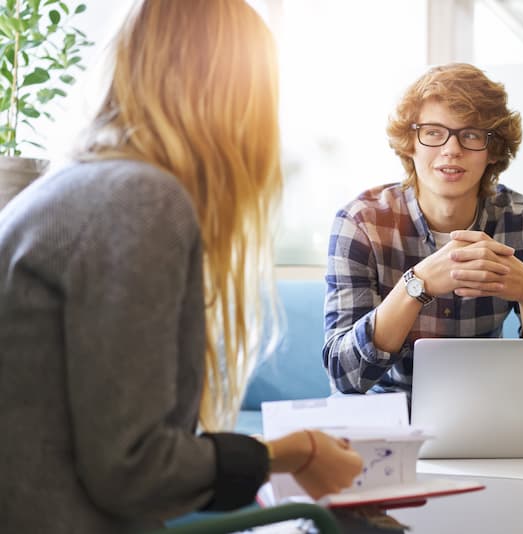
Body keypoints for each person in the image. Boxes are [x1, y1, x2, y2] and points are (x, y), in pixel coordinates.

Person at [0, 1, 362, 532]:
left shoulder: (70, 188)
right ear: (234, 96)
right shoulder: (138, 201)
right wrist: (289, 452)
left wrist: (286, 453)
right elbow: (133, 467)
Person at [323, 63, 523, 396]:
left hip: (486, 414)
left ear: (493, 150)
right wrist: (417, 284)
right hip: (386, 419)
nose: (451, 149)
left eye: (471, 134)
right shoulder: (361, 224)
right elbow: (345, 377)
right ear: (409, 143)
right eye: (433, 132)